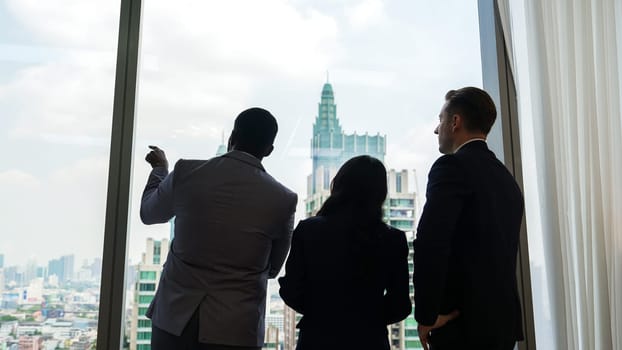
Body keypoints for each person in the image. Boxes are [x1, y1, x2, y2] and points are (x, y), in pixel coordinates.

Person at [140, 107, 298, 350]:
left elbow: (149, 213)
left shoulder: (186, 172)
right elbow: (273, 269)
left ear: (232, 138)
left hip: (175, 321)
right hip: (236, 329)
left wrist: (160, 170)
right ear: (269, 150)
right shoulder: (283, 199)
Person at [413, 87, 524, 349]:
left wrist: (427, 315)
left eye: (440, 120)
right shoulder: (506, 179)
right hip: (501, 325)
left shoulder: (451, 167)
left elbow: (431, 243)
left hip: (460, 325)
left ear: (455, 122)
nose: (436, 130)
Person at [279, 155, 412, 350]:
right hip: (370, 340)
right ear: (380, 193)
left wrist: (322, 312)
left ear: (338, 185)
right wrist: (368, 317)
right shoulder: (393, 239)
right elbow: (400, 305)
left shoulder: (309, 230)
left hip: (317, 339)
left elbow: (291, 290)